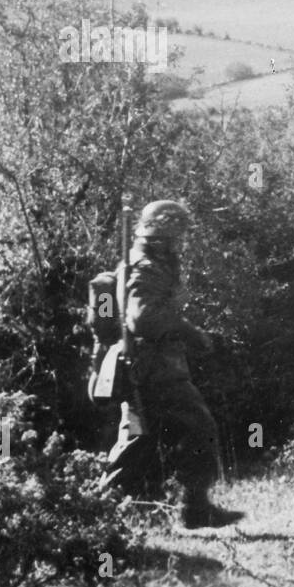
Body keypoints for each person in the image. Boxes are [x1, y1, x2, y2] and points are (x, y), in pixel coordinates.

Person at [101, 200, 240, 529]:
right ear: (162, 233)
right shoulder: (146, 267)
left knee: (138, 439)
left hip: (151, 364)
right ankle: (194, 508)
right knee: (199, 426)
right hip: (154, 368)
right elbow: (144, 319)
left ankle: (101, 511)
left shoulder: (153, 263)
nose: (181, 240)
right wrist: (189, 332)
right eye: (177, 233)